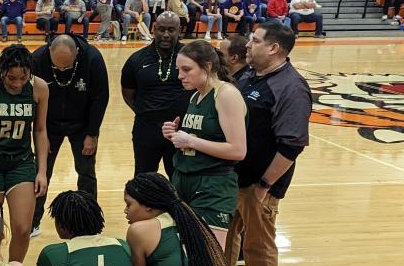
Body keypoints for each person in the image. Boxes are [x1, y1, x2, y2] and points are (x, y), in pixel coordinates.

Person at [225, 22, 311, 266]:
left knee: (257, 248)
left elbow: (292, 145)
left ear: (274, 48)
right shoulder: (250, 74)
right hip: (233, 178)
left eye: (255, 40)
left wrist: (264, 185)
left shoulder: (291, 88)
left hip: (260, 186)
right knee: (226, 240)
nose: (248, 45)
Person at [161, 39, 247, 248]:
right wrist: (175, 135)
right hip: (186, 179)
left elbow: (238, 150)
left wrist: (190, 139)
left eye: (186, 69)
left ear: (207, 66)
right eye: (179, 69)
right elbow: (201, 140)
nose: (180, 75)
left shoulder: (226, 94)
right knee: (186, 255)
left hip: (212, 186)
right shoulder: (196, 96)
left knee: (209, 259)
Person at [0, 45, 50, 263]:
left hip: (21, 163)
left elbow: (40, 130)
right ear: (1, 71)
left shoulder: (39, 88)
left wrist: (42, 171)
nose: (17, 83)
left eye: (23, 78)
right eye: (11, 78)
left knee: (23, 228)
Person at [29, 34, 108, 236]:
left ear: (77, 54)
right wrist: (41, 133)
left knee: (86, 173)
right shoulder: (37, 59)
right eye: (57, 68)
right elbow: (32, 99)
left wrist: (93, 133)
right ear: (49, 53)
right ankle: (33, 222)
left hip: (82, 125)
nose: (62, 71)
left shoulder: (93, 59)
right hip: (49, 125)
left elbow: (100, 97)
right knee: (41, 172)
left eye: (67, 67)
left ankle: (89, 224)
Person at [121, 12, 191, 177]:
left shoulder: (190, 57)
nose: (166, 35)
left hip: (181, 131)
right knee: (144, 178)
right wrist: (148, 112)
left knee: (180, 179)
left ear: (179, 31)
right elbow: (128, 94)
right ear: (153, 29)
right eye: (161, 29)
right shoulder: (136, 59)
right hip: (146, 130)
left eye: (171, 30)